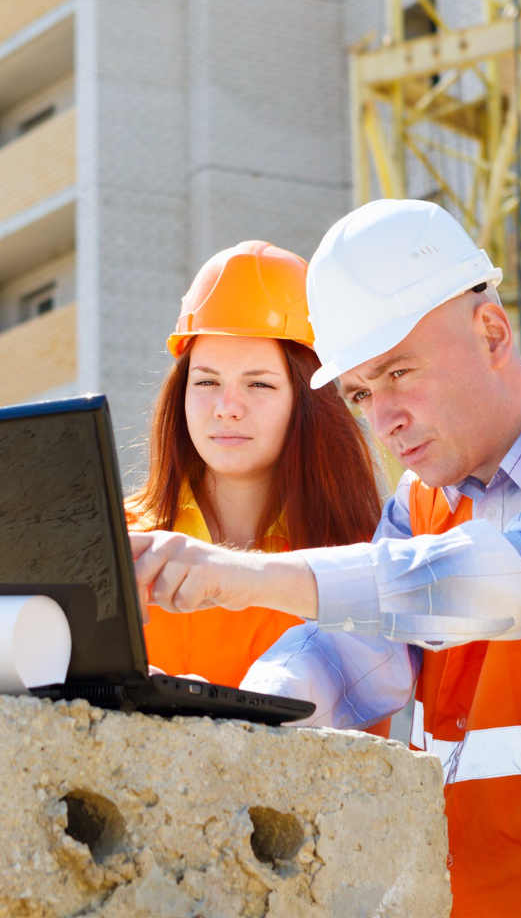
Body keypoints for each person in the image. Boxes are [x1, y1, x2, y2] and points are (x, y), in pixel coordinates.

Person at [130, 201, 521, 917]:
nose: (384, 419)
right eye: (361, 394)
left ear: (491, 331)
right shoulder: (426, 505)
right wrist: (222, 722)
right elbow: (345, 657)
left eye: (400, 373)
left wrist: (242, 576)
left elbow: (503, 581)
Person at [128, 240, 386, 710]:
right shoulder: (117, 543)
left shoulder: (364, 563)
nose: (226, 408)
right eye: (206, 381)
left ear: (312, 402)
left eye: (259, 384)